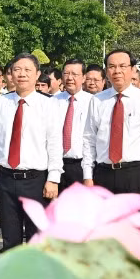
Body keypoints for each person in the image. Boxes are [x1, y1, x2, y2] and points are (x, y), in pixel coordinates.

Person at [0, 53, 63, 252]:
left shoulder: (48, 104)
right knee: (10, 238)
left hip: (35, 180)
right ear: (10, 74)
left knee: (38, 238)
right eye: (17, 70)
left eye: (28, 70)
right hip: (5, 178)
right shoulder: (1, 103)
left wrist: (53, 178)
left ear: (37, 75)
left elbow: (54, 143)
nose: (22, 74)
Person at [82, 50, 140, 221]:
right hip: (103, 174)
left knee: (135, 232)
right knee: (105, 231)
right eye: (111, 67)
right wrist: (88, 177)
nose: (117, 71)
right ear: (106, 72)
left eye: (122, 66)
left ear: (133, 70)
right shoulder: (97, 100)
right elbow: (89, 140)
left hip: (135, 175)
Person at [53, 59, 93, 192]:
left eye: (74, 74)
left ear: (84, 78)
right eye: (66, 73)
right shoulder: (52, 102)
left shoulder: (93, 102)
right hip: (55, 165)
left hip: (81, 166)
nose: (69, 78)